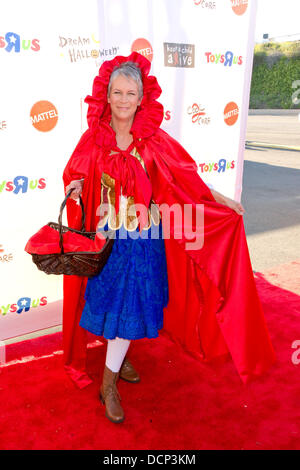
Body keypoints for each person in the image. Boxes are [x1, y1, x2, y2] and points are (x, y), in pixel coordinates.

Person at [63, 52, 275, 424]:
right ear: (106, 95)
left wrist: (219, 199)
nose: (124, 100)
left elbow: (184, 179)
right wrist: (78, 186)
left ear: (142, 96)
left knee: (130, 303)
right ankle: (108, 383)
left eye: (131, 93)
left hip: (144, 239)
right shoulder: (94, 137)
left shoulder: (153, 139)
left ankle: (118, 358)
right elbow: (76, 174)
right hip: (108, 239)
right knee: (116, 302)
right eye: (117, 92)